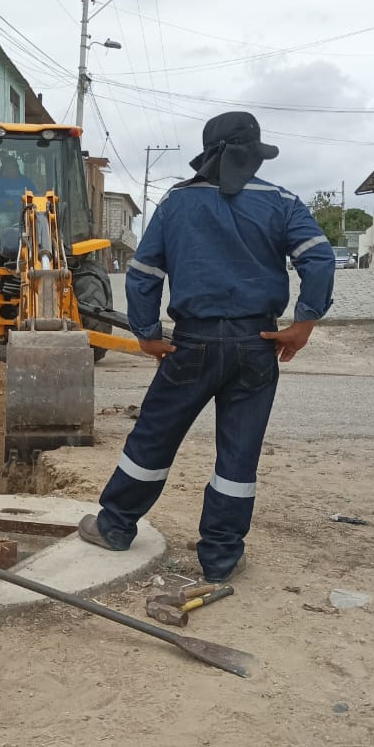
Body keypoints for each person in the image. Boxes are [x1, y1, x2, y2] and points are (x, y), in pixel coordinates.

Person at [77, 111, 335, 583]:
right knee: (239, 453)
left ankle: (114, 526)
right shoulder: (281, 201)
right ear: (253, 155)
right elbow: (318, 258)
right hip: (257, 344)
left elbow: (144, 273)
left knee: (155, 436)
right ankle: (220, 556)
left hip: (192, 343)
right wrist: (305, 322)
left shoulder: (177, 202)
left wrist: (146, 332)